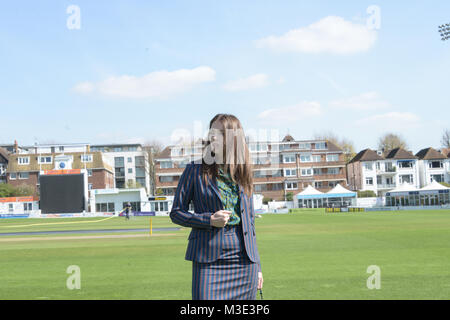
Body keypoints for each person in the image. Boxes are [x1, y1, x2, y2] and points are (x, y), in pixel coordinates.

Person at [170, 113, 263, 300]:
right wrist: (209, 220)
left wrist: (258, 267)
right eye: (212, 130)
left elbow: (250, 223)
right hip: (209, 260)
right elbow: (176, 213)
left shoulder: (243, 171)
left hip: (245, 262)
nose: (213, 136)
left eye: (220, 132)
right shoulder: (194, 170)